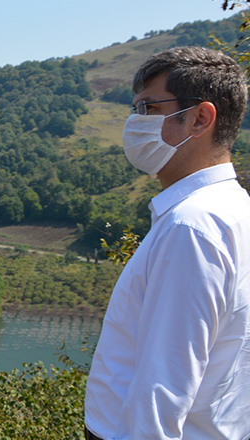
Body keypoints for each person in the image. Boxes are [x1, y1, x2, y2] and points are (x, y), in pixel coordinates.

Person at [84, 46, 250, 439]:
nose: (132, 122)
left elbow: (162, 389)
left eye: (148, 109)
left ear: (200, 118)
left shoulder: (191, 228)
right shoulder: (234, 209)